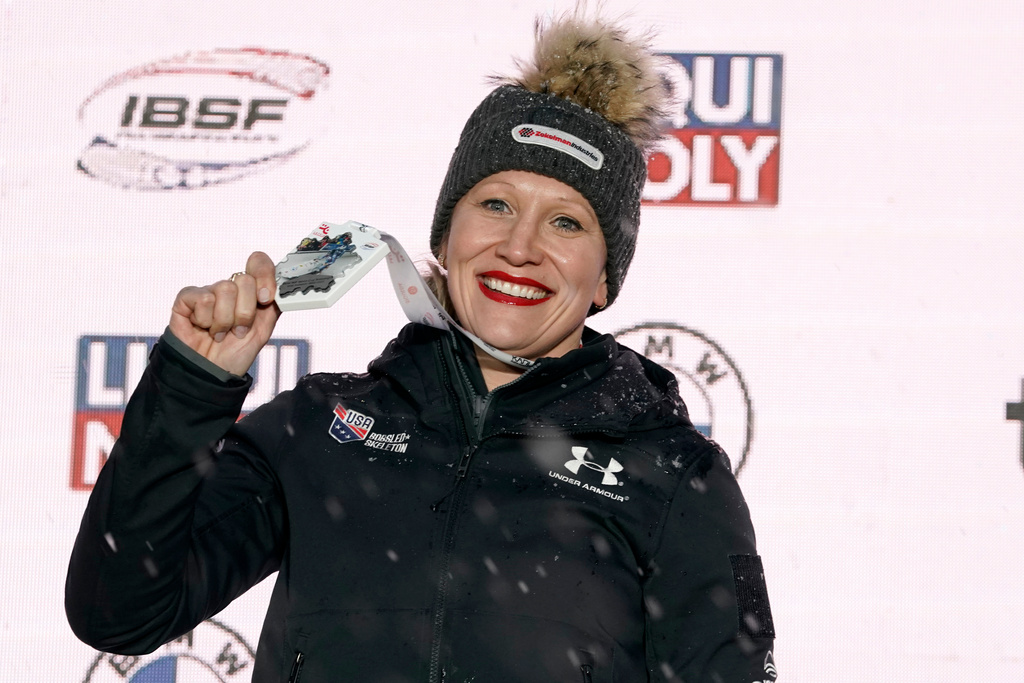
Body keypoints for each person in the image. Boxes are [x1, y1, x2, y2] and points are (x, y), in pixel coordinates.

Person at [66, 11, 776, 682]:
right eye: (494, 204)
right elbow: (118, 610)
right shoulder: (319, 429)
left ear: (604, 279)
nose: (519, 247)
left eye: (566, 222)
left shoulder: (676, 478)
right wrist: (192, 387)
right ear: (444, 235)